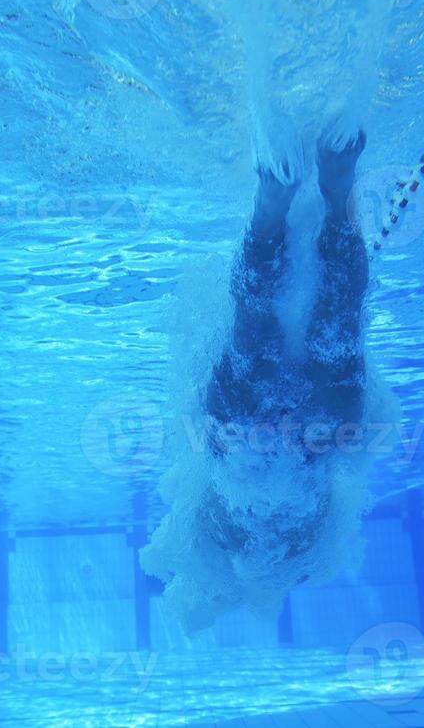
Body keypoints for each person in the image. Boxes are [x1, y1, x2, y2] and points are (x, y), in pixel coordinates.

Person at [142, 123, 383, 632]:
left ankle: (336, 192)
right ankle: (274, 202)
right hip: (241, 434)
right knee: (255, 316)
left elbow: (342, 487)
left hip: (321, 435)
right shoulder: (203, 543)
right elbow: (199, 467)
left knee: (337, 319)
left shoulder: (298, 561)